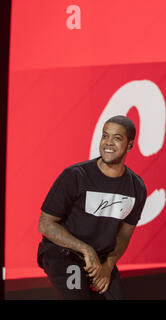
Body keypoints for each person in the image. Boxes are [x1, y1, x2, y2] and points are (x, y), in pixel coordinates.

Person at [37, 115, 147, 300]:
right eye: (105, 136)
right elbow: (46, 225)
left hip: (101, 258)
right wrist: (86, 250)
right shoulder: (75, 176)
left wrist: (108, 265)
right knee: (79, 296)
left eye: (117, 138)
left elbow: (124, 234)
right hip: (64, 254)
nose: (108, 143)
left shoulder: (136, 188)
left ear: (130, 145)